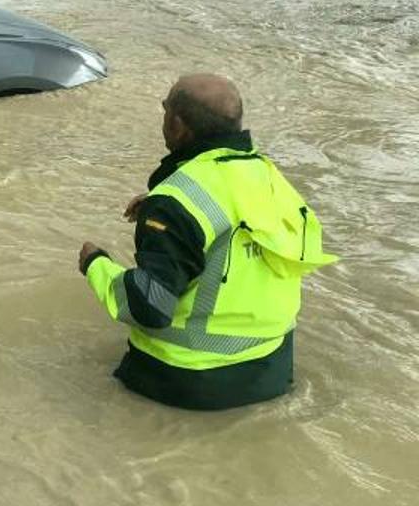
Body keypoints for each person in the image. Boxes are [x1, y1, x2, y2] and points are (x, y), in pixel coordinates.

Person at [77, 74, 337, 410]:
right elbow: (235, 226)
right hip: (271, 371)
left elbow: (150, 306)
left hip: (185, 383)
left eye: (165, 108)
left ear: (176, 124)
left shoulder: (175, 203)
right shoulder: (270, 178)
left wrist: (96, 264)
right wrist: (163, 205)